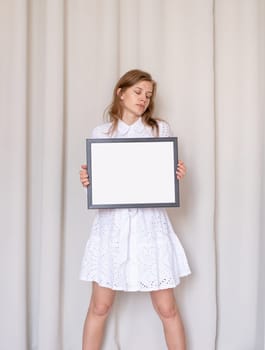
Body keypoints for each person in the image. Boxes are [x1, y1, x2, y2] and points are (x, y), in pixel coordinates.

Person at [79, 69, 191, 350]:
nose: (144, 99)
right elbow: (102, 183)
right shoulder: (101, 133)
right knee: (100, 306)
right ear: (121, 92)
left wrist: (174, 174)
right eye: (138, 92)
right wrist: (88, 181)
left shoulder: (159, 130)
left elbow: (161, 178)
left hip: (149, 227)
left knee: (167, 309)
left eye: (148, 95)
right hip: (112, 228)